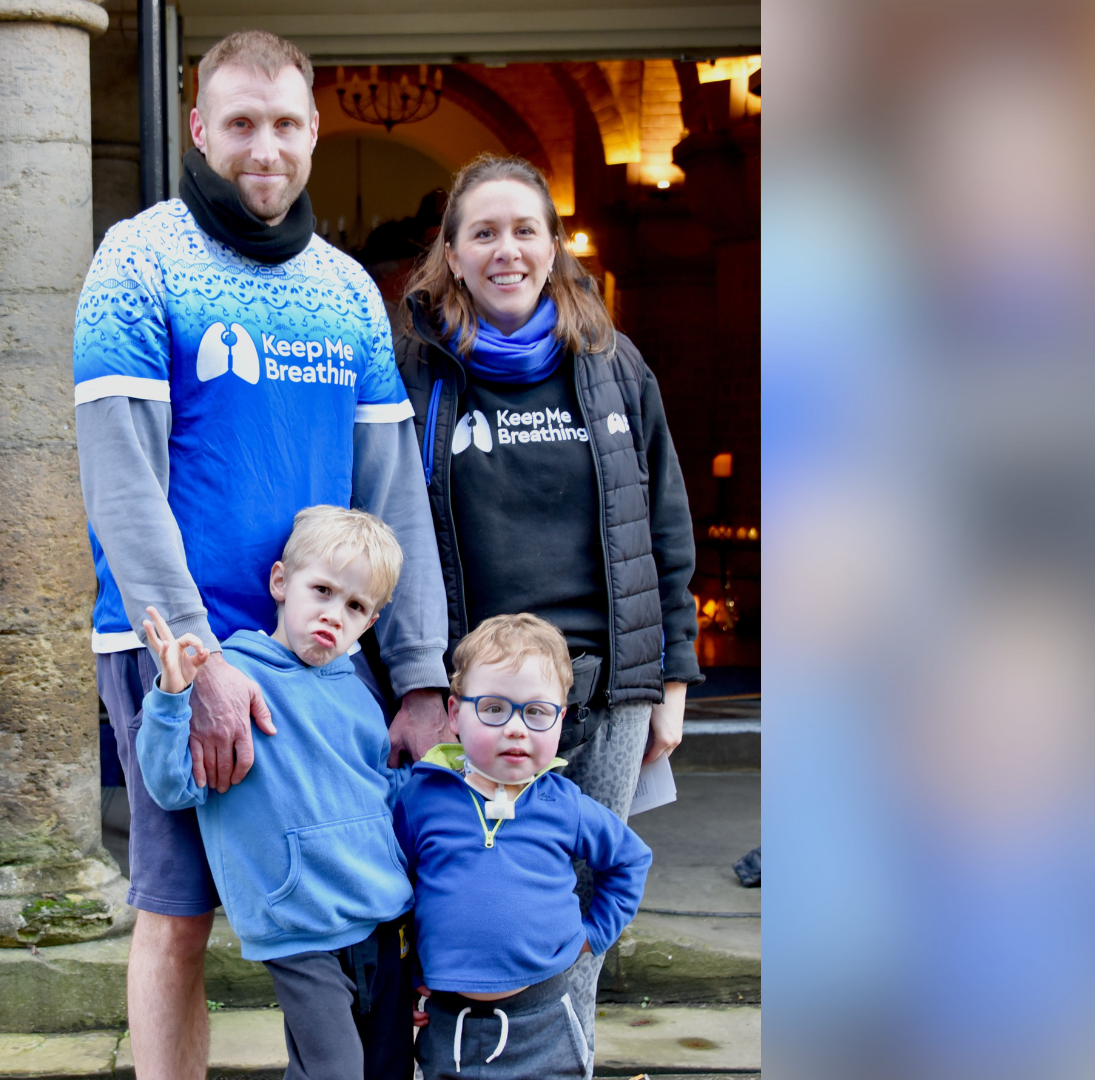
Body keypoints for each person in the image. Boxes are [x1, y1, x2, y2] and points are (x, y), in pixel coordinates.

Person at [72, 30, 449, 1080]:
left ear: (316, 132)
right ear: (200, 128)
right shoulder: (136, 261)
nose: (264, 148)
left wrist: (418, 672)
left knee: (352, 914)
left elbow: (392, 491)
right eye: (240, 123)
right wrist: (198, 662)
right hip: (178, 650)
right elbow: (122, 484)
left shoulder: (345, 292)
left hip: (324, 650)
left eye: (285, 124)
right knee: (177, 914)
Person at [389, 153, 703, 1043]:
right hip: (471, 706)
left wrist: (671, 682)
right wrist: (422, 685)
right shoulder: (418, 369)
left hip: (604, 694)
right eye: (483, 232)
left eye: (525, 230)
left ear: (554, 245)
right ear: (450, 251)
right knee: (460, 910)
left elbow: (664, 518)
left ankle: (565, 1057)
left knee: (577, 918)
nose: (507, 251)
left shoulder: (610, 362)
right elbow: (386, 519)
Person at [136, 507, 417, 1080]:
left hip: (383, 918)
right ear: (281, 583)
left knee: (387, 1067)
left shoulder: (361, 696)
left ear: (371, 621)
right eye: (323, 591)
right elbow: (172, 787)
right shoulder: (231, 681)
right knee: (333, 1069)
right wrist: (170, 697)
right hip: (300, 925)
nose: (333, 615)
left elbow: (382, 796)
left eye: (355, 606)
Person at [395, 615, 652, 1079]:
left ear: (561, 719)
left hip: (546, 1022)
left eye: (536, 712)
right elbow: (400, 892)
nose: (516, 728)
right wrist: (409, 977)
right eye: (494, 708)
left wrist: (594, 935)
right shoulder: (421, 800)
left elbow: (631, 859)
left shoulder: (565, 805)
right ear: (454, 714)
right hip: (449, 1027)